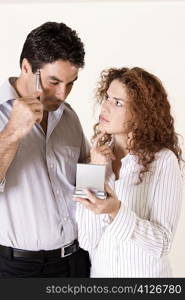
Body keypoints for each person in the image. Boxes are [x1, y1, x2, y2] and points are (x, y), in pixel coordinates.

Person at [0, 21, 91, 277]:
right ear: (26, 67)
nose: (63, 94)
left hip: (77, 261)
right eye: (54, 81)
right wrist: (12, 132)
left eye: (71, 83)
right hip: (20, 269)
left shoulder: (68, 116)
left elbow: (86, 186)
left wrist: (101, 161)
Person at [75, 67, 183, 277]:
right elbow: (87, 240)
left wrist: (116, 211)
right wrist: (94, 170)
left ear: (140, 114)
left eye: (118, 102)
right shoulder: (93, 161)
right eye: (107, 98)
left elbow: (161, 244)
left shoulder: (164, 161)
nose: (105, 106)